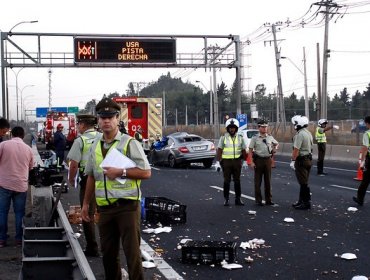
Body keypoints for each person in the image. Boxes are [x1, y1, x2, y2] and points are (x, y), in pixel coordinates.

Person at [81, 97, 151, 280]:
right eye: (102, 117)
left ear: (118, 118)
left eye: (110, 117)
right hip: (105, 209)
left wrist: (122, 172)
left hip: (127, 207)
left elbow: (146, 172)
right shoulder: (95, 145)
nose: (106, 120)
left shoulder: (129, 143)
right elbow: (91, 176)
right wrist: (86, 204)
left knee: (132, 254)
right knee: (109, 255)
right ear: (98, 120)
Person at [67, 114, 99, 257]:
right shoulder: (102, 137)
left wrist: (71, 179)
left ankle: (92, 248)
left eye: (79, 124)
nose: (77, 126)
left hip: (88, 180)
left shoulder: (81, 140)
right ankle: (109, 245)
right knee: (106, 213)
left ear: (84, 125)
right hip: (105, 179)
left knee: (88, 214)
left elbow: (74, 164)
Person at [0, 126, 34, 247]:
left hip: (4, 184)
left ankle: (2, 239)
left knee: (2, 212)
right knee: (19, 213)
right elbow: (31, 167)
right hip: (21, 185)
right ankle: (19, 239)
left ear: (11, 134)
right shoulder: (28, 149)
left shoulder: (3, 145)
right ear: (23, 136)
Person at [215, 118, 247, 206]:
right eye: (230, 128)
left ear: (236, 129)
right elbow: (219, 150)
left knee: (237, 181)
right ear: (227, 129)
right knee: (226, 181)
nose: (232, 129)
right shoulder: (223, 138)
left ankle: (238, 199)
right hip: (226, 162)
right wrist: (218, 162)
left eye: (233, 127)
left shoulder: (240, 138)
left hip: (237, 161)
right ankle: (226, 199)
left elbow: (244, 150)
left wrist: (244, 161)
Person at [248, 119, 278, 206]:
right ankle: (258, 200)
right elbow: (250, 150)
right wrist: (252, 162)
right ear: (259, 128)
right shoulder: (255, 138)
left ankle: (269, 200)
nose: (264, 129)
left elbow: (276, 143)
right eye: (263, 127)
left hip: (267, 160)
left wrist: (274, 149)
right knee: (258, 182)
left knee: (268, 181)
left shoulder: (270, 137)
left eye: (266, 127)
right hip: (258, 160)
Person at [290, 115, 313, 210]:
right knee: (304, 182)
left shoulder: (299, 134)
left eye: (295, 124)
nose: (294, 125)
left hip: (301, 161)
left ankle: (306, 203)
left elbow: (296, 149)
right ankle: (301, 201)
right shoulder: (308, 133)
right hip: (308, 159)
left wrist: (293, 160)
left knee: (303, 184)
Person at [353, 116, 370, 206]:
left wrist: (362, 162)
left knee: (365, 181)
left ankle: (360, 199)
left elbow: (365, 148)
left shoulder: (367, 134)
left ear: (367, 123)